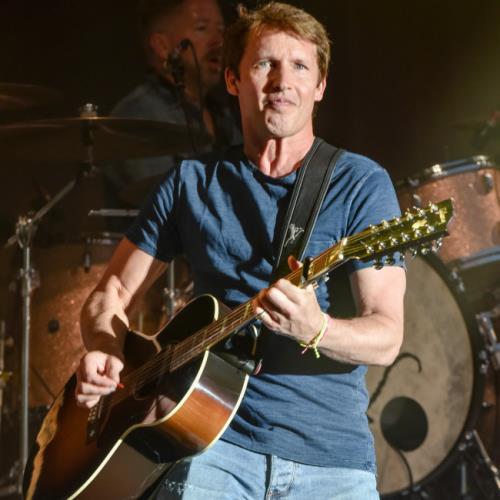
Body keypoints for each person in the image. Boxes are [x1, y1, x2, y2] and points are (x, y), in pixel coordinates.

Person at [77, 2, 406, 498]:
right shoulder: (191, 183)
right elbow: (111, 294)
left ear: (320, 86)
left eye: (300, 66)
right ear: (232, 79)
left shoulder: (360, 183)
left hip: (330, 458)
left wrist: (317, 328)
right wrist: (105, 346)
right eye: (264, 64)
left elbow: (386, 335)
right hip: (209, 444)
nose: (282, 81)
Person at [107, 0, 242, 198]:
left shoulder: (223, 115)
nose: (219, 41)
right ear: (162, 46)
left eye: (221, 30)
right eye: (202, 28)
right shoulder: (138, 114)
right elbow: (162, 198)